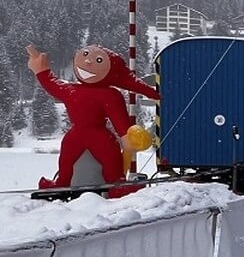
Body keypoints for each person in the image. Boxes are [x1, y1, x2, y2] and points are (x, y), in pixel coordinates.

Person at [26, 44, 158, 194]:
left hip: (80, 136)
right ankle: (113, 185)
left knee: (72, 161)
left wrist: (42, 71)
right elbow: (120, 121)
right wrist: (125, 137)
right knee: (102, 161)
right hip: (96, 137)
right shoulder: (107, 95)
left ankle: (64, 184)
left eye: (98, 60)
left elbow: (53, 85)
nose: (88, 61)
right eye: (85, 55)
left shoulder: (73, 91)